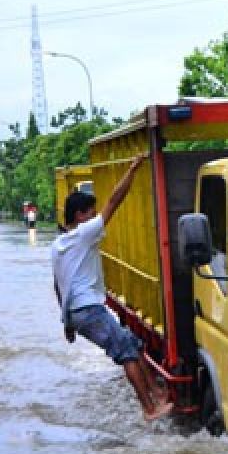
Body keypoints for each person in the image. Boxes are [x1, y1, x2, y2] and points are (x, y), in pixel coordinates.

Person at [51, 152, 172, 421]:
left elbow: (58, 285)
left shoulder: (58, 245)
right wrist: (132, 169)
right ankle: (149, 409)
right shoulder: (84, 233)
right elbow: (115, 201)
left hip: (77, 312)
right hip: (90, 309)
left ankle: (157, 393)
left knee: (132, 342)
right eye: (91, 213)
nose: (95, 217)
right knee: (126, 353)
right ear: (81, 216)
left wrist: (67, 323)